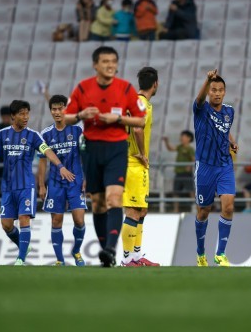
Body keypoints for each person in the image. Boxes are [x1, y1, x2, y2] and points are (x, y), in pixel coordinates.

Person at [64, 46, 146, 267]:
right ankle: (106, 253)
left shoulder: (126, 88)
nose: (110, 65)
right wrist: (81, 115)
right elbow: (65, 117)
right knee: (98, 203)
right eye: (105, 61)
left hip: (117, 149)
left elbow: (141, 120)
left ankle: (110, 248)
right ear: (95, 65)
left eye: (113, 61)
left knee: (114, 198)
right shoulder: (83, 88)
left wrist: (118, 119)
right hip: (91, 148)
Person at [0, 100, 75, 266]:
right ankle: (24, 247)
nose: (26, 117)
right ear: (13, 116)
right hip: (8, 187)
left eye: (27, 113)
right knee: (6, 225)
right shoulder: (3, 134)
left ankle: (20, 258)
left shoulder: (33, 135)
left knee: (24, 219)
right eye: (22, 114)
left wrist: (59, 166)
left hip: (26, 186)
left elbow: (47, 151)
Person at [193, 69, 238, 267]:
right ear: (209, 92)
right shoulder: (201, 109)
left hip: (224, 164)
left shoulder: (230, 111)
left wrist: (232, 141)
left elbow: (225, 130)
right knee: (204, 211)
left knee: (228, 206)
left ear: (225, 92)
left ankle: (220, 254)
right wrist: (206, 80)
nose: (217, 93)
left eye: (220, 90)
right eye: (213, 90)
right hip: (205, 166)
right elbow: (199, 98)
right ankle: (200, 253)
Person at [37, 95, 87, 266]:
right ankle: (60, 259)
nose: (57, 112)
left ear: (66, 109)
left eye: (60, 108)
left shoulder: (78, 130)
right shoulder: (45, 134)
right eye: (54, 109)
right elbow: (42, 161)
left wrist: (87, 178)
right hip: (56, 183)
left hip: (76, 181)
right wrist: (41, 185)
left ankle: (77, 251)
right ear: (50, 111)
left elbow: (85, 155)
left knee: (79, 220)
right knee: (56, 220)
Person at [121, 67, 160, 267]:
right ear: (156, 84)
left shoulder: (131, 102)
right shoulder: (142, 104)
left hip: (133, 162)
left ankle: (136, 256)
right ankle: (127, 259)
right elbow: (137, 128)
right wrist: (143, 154)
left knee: (141, 211)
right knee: (133, 211)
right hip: (134, 162)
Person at [162, 131, 195, 213]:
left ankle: (194, 208)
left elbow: (194, 159)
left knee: (191, 191)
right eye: (181, 136)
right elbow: (170, 149)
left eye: (183, 136)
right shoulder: (180, 147)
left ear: (189, 138)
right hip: (178, 173)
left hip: (187, 174)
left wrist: (189, 166)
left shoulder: (190, 149)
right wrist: (166, 142)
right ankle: (176, 209)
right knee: (176, 192)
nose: (181, 138)